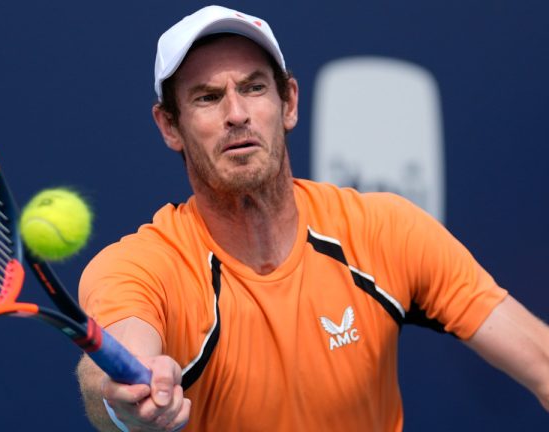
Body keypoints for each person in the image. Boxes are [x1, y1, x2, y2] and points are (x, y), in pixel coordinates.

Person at [76, 5, 549, 431]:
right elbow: (114, 366)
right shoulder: (139, 267)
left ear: (290, 103)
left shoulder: (385, 230)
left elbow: (541, 359)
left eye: (254, 87)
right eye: (207, 98)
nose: (236, 114)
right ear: (169, 126)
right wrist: (128, 397)